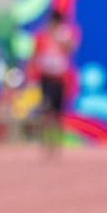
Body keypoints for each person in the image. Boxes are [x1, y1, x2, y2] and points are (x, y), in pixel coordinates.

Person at [31, 8, 78, 156]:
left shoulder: (64, 35)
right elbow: (35, 55)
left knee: (57, 113)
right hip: (46, 78)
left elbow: (71, 48)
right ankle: (46, 143)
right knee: (45, 111)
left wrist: (59, 38)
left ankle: (57, 144)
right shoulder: (41, 36)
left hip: (59, 79)